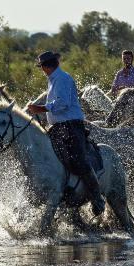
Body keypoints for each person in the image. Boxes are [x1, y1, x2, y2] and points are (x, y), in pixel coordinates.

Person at [27, 51, 106, 216]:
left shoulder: (62, 79)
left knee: (79, 160)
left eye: (41, 66)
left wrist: (40, 109)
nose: (41, 69)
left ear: (47, 66)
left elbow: (62, 103)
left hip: (70, 127)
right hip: (58, 127)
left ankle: (97, 198)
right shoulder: (54, 80)